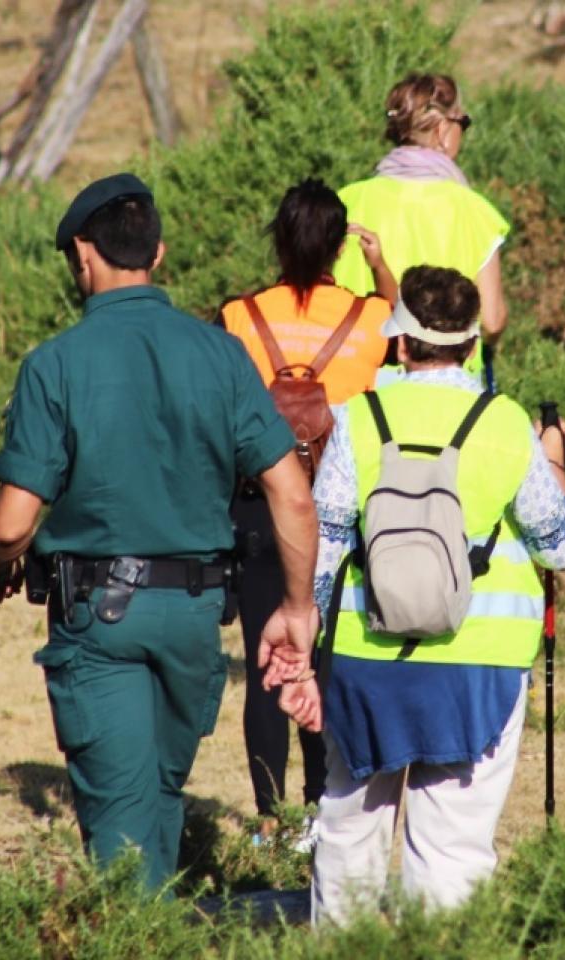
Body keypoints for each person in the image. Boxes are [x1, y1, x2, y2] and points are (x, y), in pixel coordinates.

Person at [0, 173, 320, 893]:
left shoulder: (54, 364)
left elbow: (10, 525)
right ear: (157, 254)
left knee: (125, 846)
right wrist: (297, 607)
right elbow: (292, 494)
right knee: (157, 806)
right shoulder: (222, 354)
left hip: (100, 622)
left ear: (82, 256)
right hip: (194, 619)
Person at [269, 265, 565, 925]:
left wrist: (305, 647)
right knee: (452, 846)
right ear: (472, 345)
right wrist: (552, 458)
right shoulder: (503, 425)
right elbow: (561, 545)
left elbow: (324, 548)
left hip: (366, 661)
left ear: (401, 343)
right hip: (480, 665)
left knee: (351, 828)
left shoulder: (358, 420)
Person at [219, 179, 393, 826]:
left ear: (277, 237)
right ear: (337, 243)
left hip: (257, 510)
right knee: (326, 664)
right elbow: (411, 346)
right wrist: (380, 270)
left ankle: (268, 821)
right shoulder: (371, 318)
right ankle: (323, 810)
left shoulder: (239, 316)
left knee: (268, 665)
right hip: (339, 517)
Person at [330, 73, 511, 379]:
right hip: (448, 382)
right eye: (462, 123)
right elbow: (492, 320)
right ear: (443, 130)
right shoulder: (474, 212)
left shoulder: (346, 202)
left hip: (359, 376)